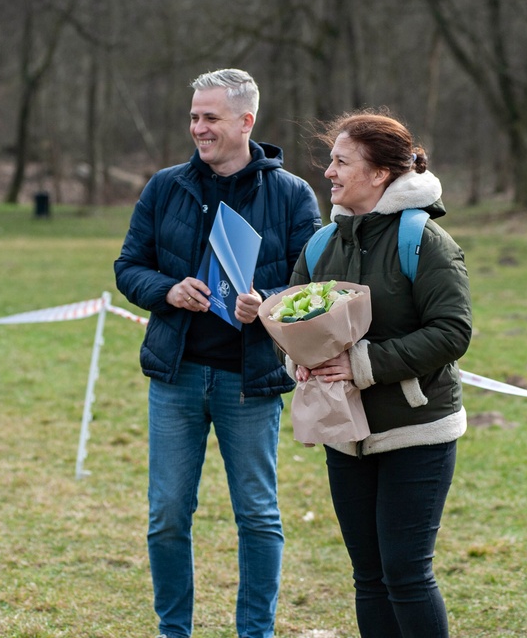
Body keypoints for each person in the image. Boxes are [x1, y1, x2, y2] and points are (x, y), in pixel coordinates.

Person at [114, 68, 321, 638]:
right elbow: (128, 268)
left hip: (249, 382)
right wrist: (168, 289)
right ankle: (172, 631)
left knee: (257, 516)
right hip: (176, 376)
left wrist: (270, 304)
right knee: (166, 518)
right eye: (193, 117)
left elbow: (315, 289)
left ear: (245, 122)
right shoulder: (165, 187)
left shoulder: (292, 195)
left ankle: (256, 633)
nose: (197, 128)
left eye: (209, 118)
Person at [287, 110, 472, 638]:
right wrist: (300, 360)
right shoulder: (322, 243)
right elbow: (291, 317)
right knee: (367, 577)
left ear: (380, 174)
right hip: (345, 437)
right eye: (330, 160)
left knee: (406, 575)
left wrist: (361, 365)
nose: (328, 172)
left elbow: (452, 332)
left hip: (416, 430)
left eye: (342, 162)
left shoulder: (426, 241)